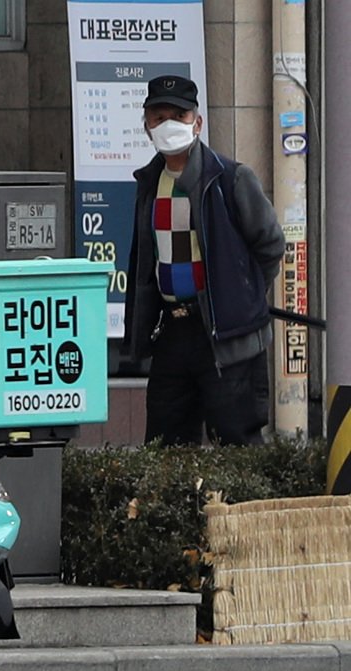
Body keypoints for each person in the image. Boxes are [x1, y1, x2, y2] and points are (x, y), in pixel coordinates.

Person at [123, 74, 285, 446]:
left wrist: (241, 296)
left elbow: (270, 245)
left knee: (237, 443)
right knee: (165, 444)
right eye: (159, 117)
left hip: (227, 336)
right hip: (172, 330)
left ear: (197, 123)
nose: (168, 125)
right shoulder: (150, 183)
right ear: (147, 127)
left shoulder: (231, 178)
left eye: (178, 116)